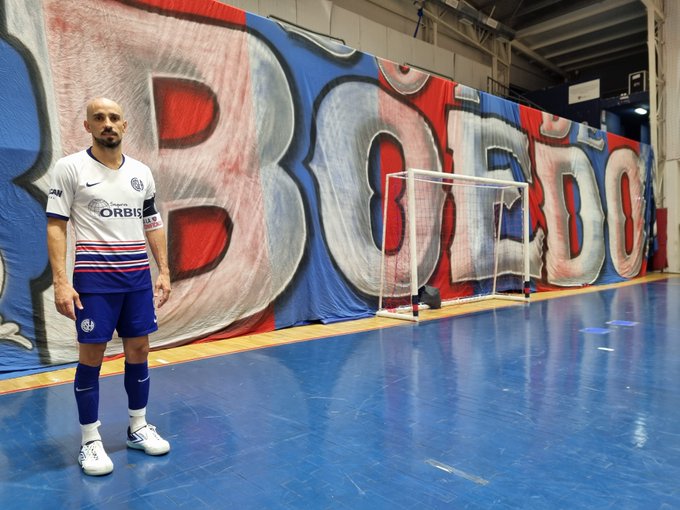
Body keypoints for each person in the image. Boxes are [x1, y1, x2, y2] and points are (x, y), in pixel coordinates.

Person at [46, 97, 171, 476]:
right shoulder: (70, 168)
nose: (108, 124)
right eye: (99, 118)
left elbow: (152, 222)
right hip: (94, 282)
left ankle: (138, 427)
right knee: (92, 357)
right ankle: (90, 440)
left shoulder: (141, 173)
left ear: (125, 125)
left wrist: (164, 271)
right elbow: (56, 225)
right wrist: (60, 282)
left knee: (139, 349)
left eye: (115, 117)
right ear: (87, 125)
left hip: (137, 281)